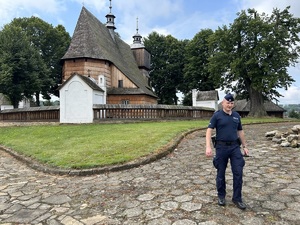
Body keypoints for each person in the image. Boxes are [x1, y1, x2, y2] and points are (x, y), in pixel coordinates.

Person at [205, 93, 249, 210]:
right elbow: (209, 131)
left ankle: (237, 198)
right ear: (222, 103)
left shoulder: (236, 116)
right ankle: (221, 196)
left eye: (231, 103)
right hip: (221, 147)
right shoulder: (217, 115)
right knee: (220, 173)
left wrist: (245, 146)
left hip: (235, 147)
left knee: (238, 172)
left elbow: (240, 132)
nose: (229, 105)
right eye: (227, 103)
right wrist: (208, 147)